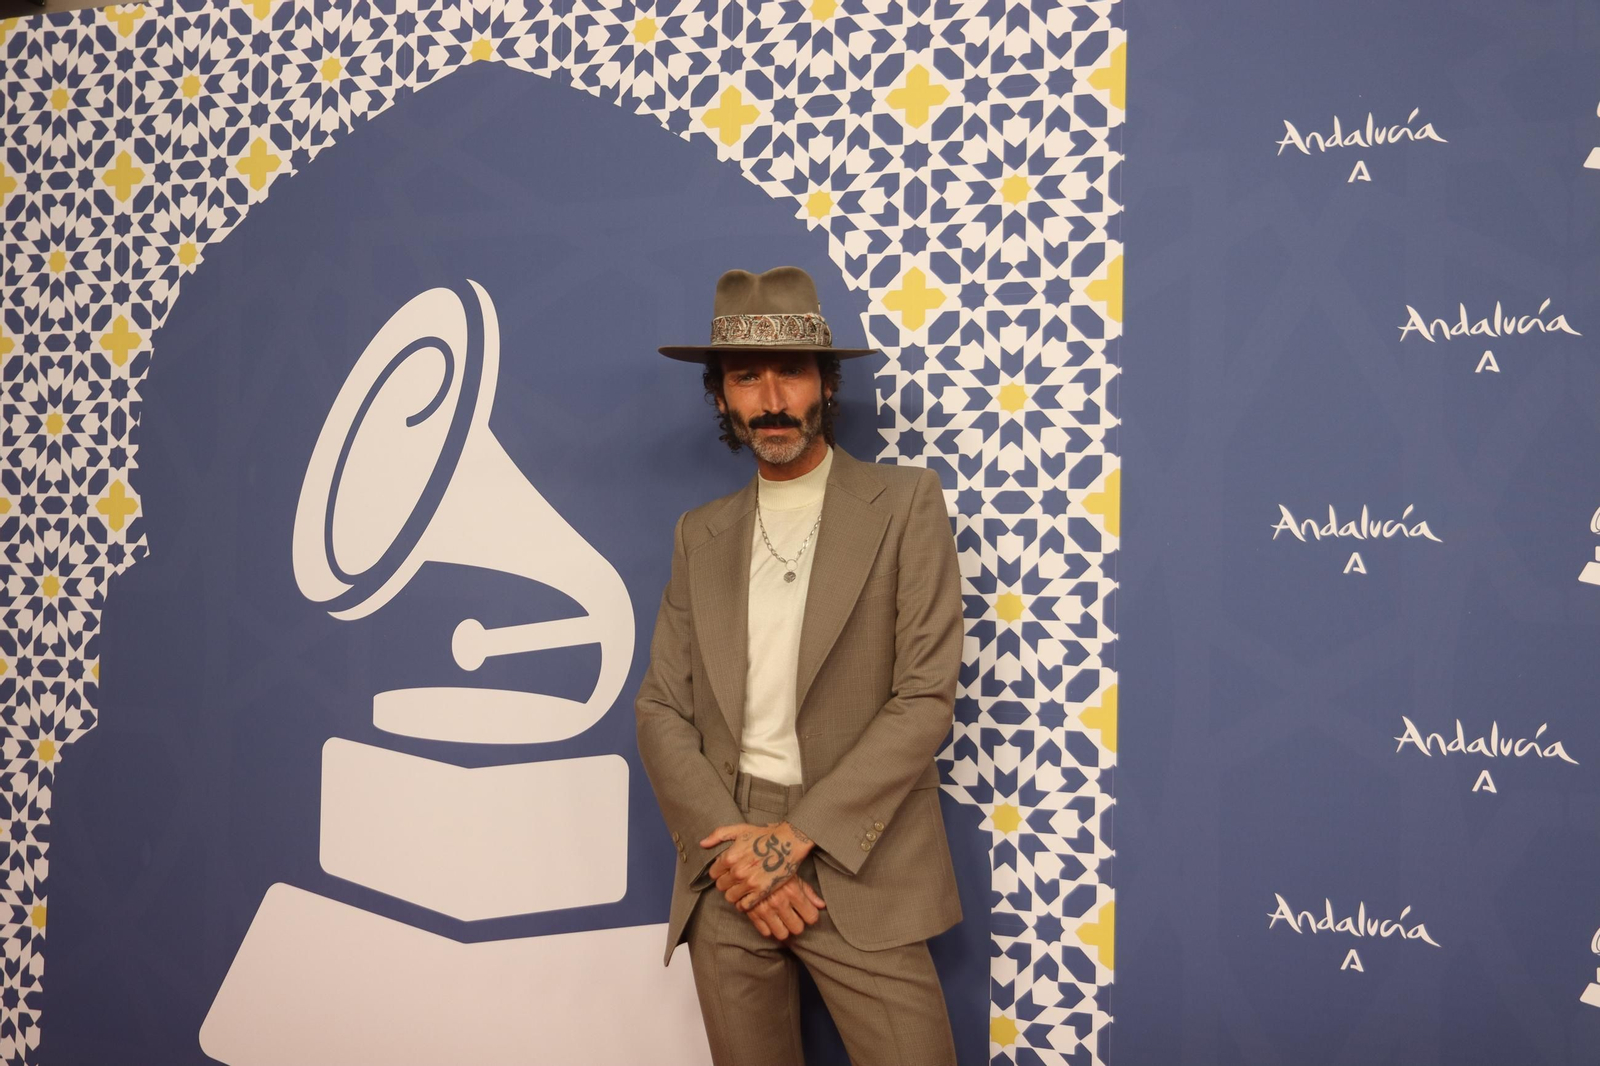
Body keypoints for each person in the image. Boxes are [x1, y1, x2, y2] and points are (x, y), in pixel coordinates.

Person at [636, 266, 965, 1065]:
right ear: (721, 397)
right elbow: (660, 710)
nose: (772, 398)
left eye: (791, 372)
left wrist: (789, 843)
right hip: (726, 860)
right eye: (747, 377)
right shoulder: (698, 533)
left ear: (827, 384)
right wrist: (736, 853)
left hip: (860, 854)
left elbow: (924, 699)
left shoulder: (907, 503)